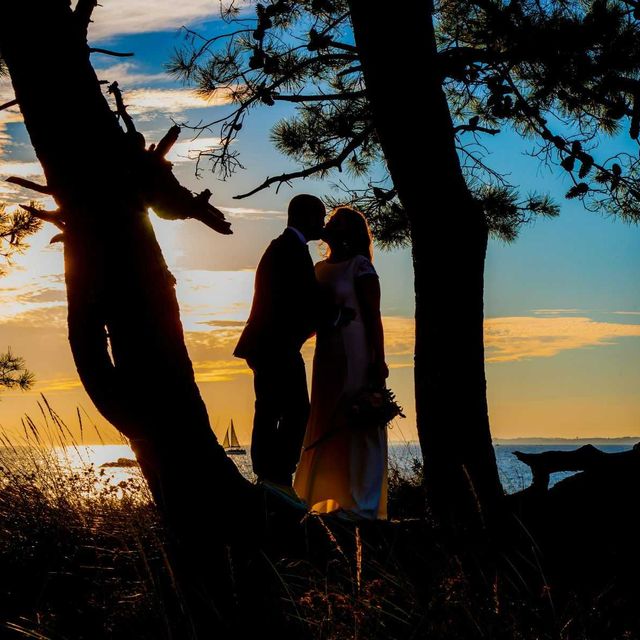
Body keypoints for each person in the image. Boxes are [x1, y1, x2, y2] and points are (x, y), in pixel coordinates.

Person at [233, 194, 350, 497]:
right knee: (296, 410)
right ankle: (277, 476)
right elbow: (302, 299)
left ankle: (271, 476)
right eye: (319, 217)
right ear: (306, 217)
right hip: (275, 345)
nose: (322, 224)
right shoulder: (290, 250)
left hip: (267, 344)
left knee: (272, 407)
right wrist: (337, 315)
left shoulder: (285, 247)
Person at [293, 206, 389, 520]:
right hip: (327, 354)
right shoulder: (318, 268)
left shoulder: (360, 267)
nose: (329, 223)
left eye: (337, 221)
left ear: (350, 232)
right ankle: (323, 495)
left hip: (357, 349)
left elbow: (373, 316)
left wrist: (379, 360)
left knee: (358, 419)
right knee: (325, 415)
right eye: (330, 219)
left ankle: (363, 502)